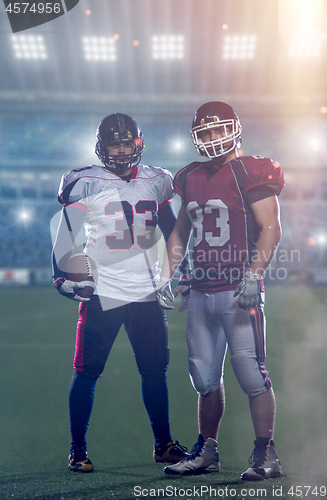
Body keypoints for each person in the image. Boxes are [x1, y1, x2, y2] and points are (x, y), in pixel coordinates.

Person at [52, 113, 191, 472]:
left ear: (138, 143)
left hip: (146, 291)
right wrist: (60, 275)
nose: (120, 149)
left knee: (154, 371)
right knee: (87, 372)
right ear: (102, 147)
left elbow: (173, 229)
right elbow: (66, 231)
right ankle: (77, 449)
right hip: (103, 291)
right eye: (114, 143)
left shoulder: (157, 180)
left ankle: (163, 445)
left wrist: (181, 270)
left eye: (126, 142)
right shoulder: (86, 181)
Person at [156, 101, 285, 480]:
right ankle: (207, 452)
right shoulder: (190, 176)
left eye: (217, 130)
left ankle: (267, 455)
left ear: (234, 130)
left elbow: (271, 228)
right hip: (201, 291)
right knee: (204, 377)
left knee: (251, 374)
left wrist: (253, 275)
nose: (212, 138)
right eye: (205, 133)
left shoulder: (252, 170)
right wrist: (168, 274)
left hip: (238, 290)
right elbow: (181, 230)